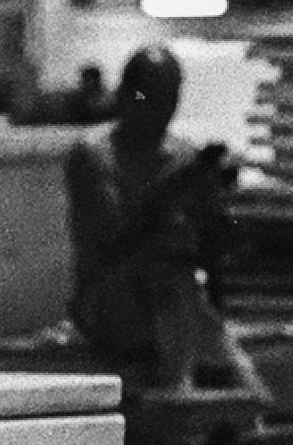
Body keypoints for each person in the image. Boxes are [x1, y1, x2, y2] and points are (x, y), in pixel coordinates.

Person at [64, 46, 267, 396]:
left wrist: (215, 208)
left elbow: (218, 245)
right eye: (152, 96)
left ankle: (243, 402)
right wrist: (168, 192)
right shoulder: (95, 156)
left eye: (170, 98)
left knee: (183, 291)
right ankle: (182, 387)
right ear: (130, 95)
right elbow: (112, 239)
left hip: (178, 292)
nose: (162, 109)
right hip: (112, 296)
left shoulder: (183, 154)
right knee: (169, 279)